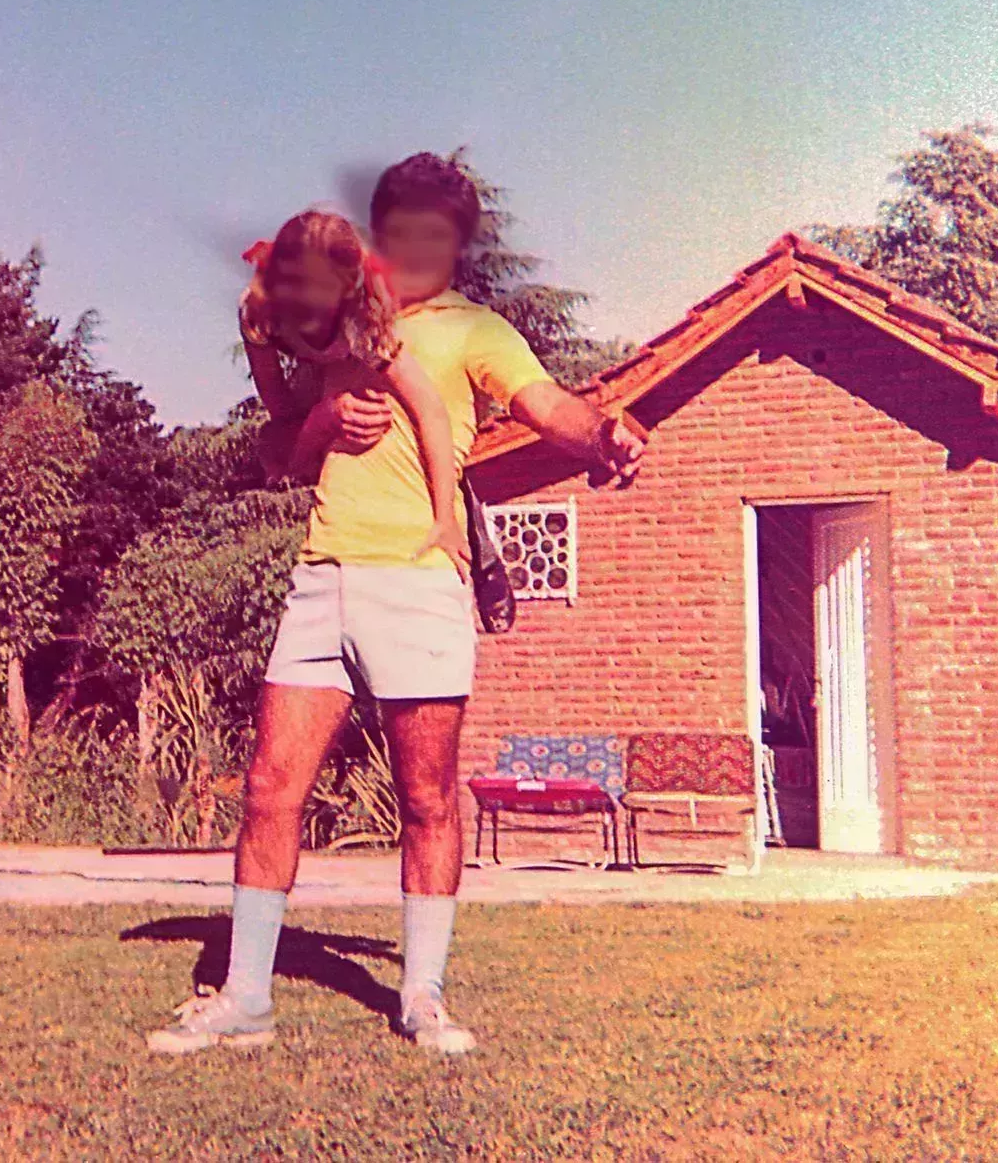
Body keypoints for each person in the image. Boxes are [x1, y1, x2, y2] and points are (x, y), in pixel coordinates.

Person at [146, 152, 647, 1057]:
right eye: (400, 225)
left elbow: (548, 408)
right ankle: (246, 998)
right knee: (268, 787)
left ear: (457, 244)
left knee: (426, 799)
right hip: (322, 576)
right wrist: (321, 425)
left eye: (436, 232)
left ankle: (422, 998)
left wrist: (601, 435)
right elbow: (276, 456)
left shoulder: (474, 331)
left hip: (418, 583)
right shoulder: (331, 311)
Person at [238, 208, 467, 577]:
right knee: (273, 445)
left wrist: (446, 521)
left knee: (398, 419)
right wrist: (313, 434)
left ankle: (468, 507)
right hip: (315, 358)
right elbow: (279, 410)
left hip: (365, 341)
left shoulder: (364, 323)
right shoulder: (259, 312)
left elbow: (430, 409)